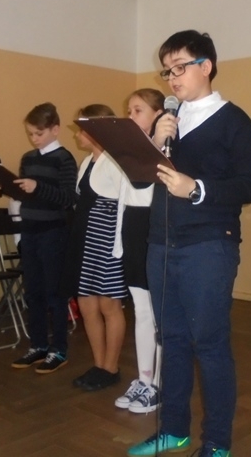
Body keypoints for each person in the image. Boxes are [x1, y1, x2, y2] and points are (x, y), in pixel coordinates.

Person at [128, 30, 251, 457]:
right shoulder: (167, 121)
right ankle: (173, 429)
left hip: (209, 246)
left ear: (206, 66)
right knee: (171, 340)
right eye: (167, 70)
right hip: (161, 244)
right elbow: (139, 181)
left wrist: (197, 189)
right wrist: (154, 142)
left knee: (210, 344)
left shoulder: (234, 120)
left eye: (179, 67)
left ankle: (218, 442)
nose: (172, 78)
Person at [6, 102, 77, 374]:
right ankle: (38, 345)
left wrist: (38, 187)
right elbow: (25, 194)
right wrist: (5, 187)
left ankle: (59, 349)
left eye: (39, 133)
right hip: (30, 230)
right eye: (30, 134)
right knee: (32, 291)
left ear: (55, 130)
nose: (34, 139)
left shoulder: (64, 158)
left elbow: (68, 198)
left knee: (54, 293)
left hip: (53, 232)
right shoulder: (28, 158)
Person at [70, 104, 128, 392]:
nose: (77, 134)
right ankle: (98, 364)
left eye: (82, 128)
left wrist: (118, 248)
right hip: (86, 242)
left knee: (109, 305)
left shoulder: (116, 162)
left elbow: (123, 207)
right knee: (87, 303)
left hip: (107, 243)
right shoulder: (86, 162)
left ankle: (111, 367)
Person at [114, 89, 164, 414]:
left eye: (138, 110)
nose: (130, 116)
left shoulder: (168, 148)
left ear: (158, 114)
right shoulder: (129, 151)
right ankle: (145, 380)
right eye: (129, 110)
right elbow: (124, 198)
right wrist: (119, 242)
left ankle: (159, 384)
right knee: (142, 311)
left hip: (154, 229)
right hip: (132, 230)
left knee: (160, 315)